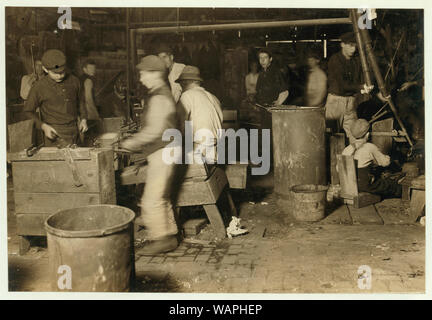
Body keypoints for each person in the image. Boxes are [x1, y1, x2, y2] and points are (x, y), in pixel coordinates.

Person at [120, 55, 180, 255]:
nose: (141, 78)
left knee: (150, 199)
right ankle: (169, 234)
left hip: (163, 150)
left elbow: (154, 130)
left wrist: (131, 142)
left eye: (144, 74)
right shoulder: (160, 93)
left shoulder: (159, 96)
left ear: (156, 74)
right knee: (161, 195)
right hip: (166, 149)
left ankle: (161, 240)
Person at [23, 49, 88, 146]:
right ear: (45, 69)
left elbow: (80, 102)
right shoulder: (39, 87)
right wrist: (43, 126)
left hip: (75, 132)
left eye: (62, 72)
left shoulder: (75, 81)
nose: (59, 76)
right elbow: (28, 112)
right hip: (54, 134)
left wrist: (83, 119)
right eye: (55, 73)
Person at [324, 32, 374, 143]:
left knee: (355, 134)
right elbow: (342, 85)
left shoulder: (355, 61)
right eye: (350, 45)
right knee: (331, 135)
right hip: (336, 102)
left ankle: (355, 159)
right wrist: (361, 87)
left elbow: (361, 78)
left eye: (355, 46)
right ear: (342, 44)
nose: (353, 49)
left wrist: (366, 85)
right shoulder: (335, 60)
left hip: (351, 101)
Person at [342, 119, 402, 198]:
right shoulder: (370, 147)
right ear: (367, 134)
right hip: (365, 186)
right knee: (390, 185)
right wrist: (388, 157)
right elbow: (385, 163)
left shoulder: (346, 149)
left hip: (349, 185)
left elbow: (338, 168)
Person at [176, 65, 223, 164]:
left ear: (185, 83)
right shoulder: (213, 97)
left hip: (199, 148)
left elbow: (179, 125)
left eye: (181, 84)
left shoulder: (187, 96)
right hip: (216, 147)